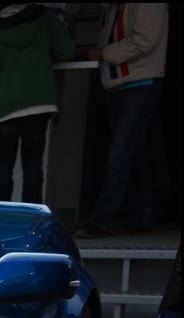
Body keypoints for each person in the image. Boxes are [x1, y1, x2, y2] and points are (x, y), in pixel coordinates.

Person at [75, 3, 169, 238]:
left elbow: (144, 41)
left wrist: (102, 53)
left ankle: (99, 221)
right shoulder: (114, 7)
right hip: (118, 85)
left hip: (141, 82)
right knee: (132, 153)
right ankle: (140, 217)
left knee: (120, 155)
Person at [0, 4, 76, 204]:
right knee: (33, 169)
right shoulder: (45, 19)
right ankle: (32, 222)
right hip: (38, 102)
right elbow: (66, 51)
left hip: (5, 107)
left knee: (2, 171)